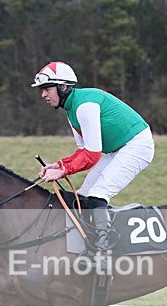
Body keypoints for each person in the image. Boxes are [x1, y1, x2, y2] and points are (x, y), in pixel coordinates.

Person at [32, 61, 155, 262]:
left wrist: (63, 171)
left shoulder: (84, 107)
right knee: (83, 196)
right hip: (117, 149)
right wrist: (60, 164)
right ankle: (86, 244)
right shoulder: (71, 110)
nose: (43, 95)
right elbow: (83, 150)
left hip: (137, 145)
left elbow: (92, 155)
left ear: (63, 87)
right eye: (42, 90)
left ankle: (104, 252)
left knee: (98, 194)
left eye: (47, 89)